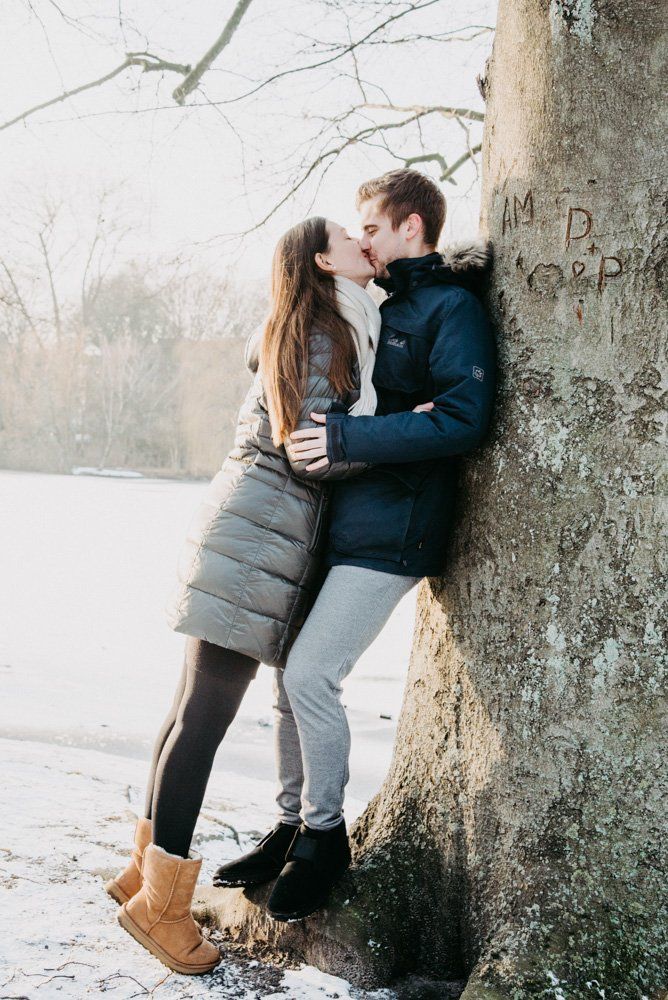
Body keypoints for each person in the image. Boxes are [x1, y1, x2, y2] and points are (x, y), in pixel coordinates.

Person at [213, 168, 496, 923]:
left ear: (411, 227)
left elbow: (463, 418)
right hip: (340, 523)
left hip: (397, 529)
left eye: (369, 226)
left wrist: (347, 435)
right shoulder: (373, 307)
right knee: (288, 682)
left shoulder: (449, 305)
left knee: (311, 674)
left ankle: (325, 839)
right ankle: (292, 823)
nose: (360, 238)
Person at [106, 216, 381, 975]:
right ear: (323, 260)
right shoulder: (325, 335)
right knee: (201, 722)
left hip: (240, 536)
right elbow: (311, 452)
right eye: (353, 241)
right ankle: (161, 907)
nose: (368, 245)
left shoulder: (299, 325)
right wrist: (393, 446)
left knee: (184, 716)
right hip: (256, 546)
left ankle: (141, 873)